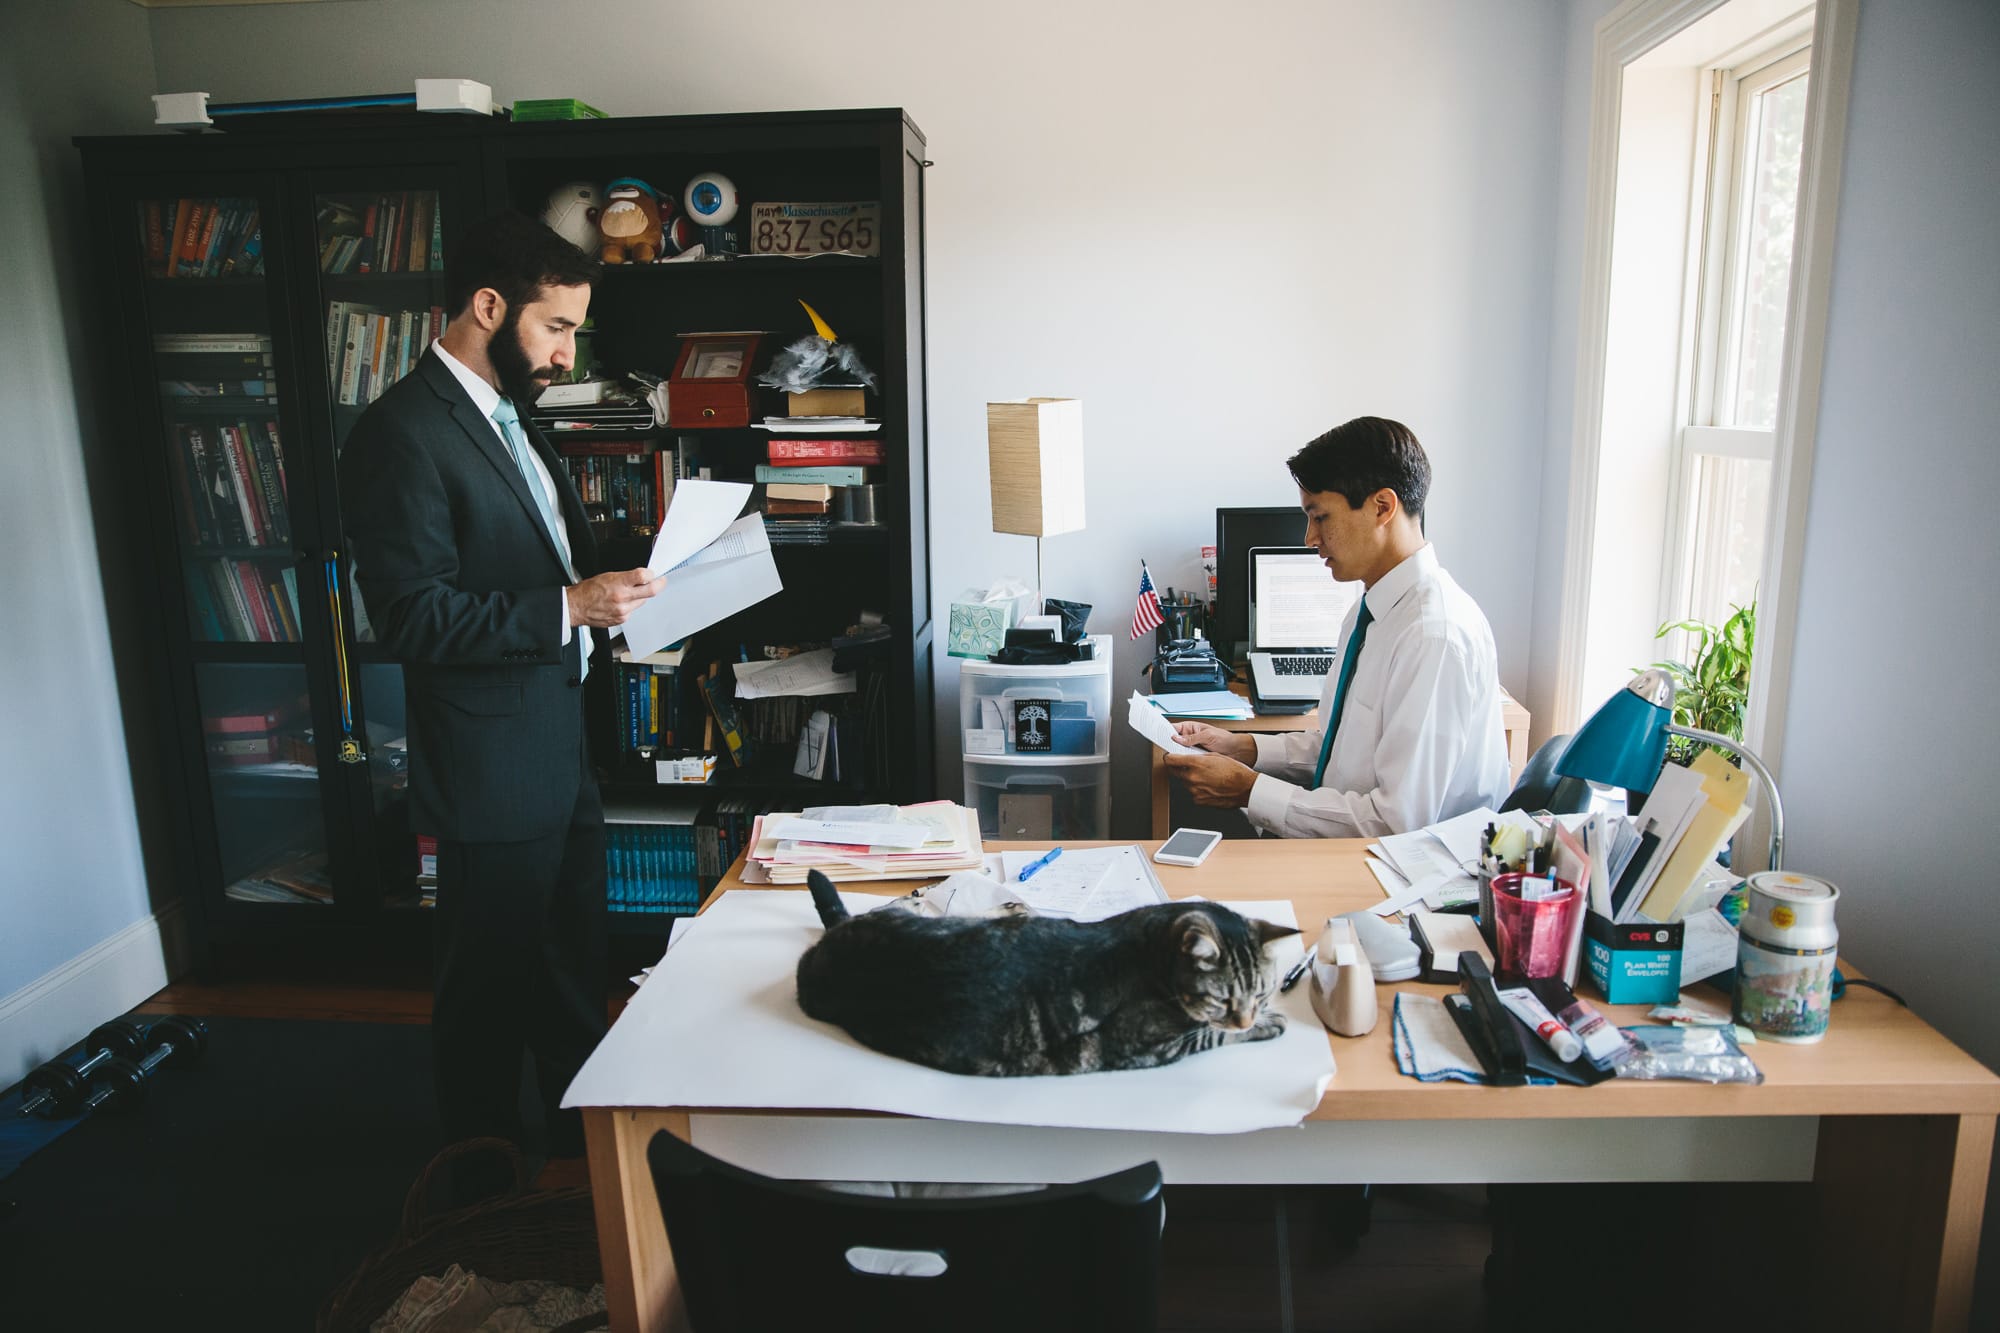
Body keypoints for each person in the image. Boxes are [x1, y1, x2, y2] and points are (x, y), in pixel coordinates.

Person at [339, 211, 664, 1162]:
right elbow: (411, 617)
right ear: (489, 306)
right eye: (557, 327)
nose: (568, 352)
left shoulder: (510, 418)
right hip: (488, 762)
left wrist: (620, 587)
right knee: (485, 990)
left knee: (571, 973)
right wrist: (567, 607)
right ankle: (476, 1185)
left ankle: (580, 1164)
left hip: (560, 744)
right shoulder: (400, 433)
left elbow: (540, 563)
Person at [1164, 417, 1509, 838]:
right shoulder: (1372, 608)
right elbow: (1338, 749)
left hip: (1404, 876)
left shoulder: (1433, 636)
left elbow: (1395, 822)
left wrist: (1249, 790)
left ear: (1382, 507)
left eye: (1320, 516)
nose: (1309, 538)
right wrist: (1243, 746)